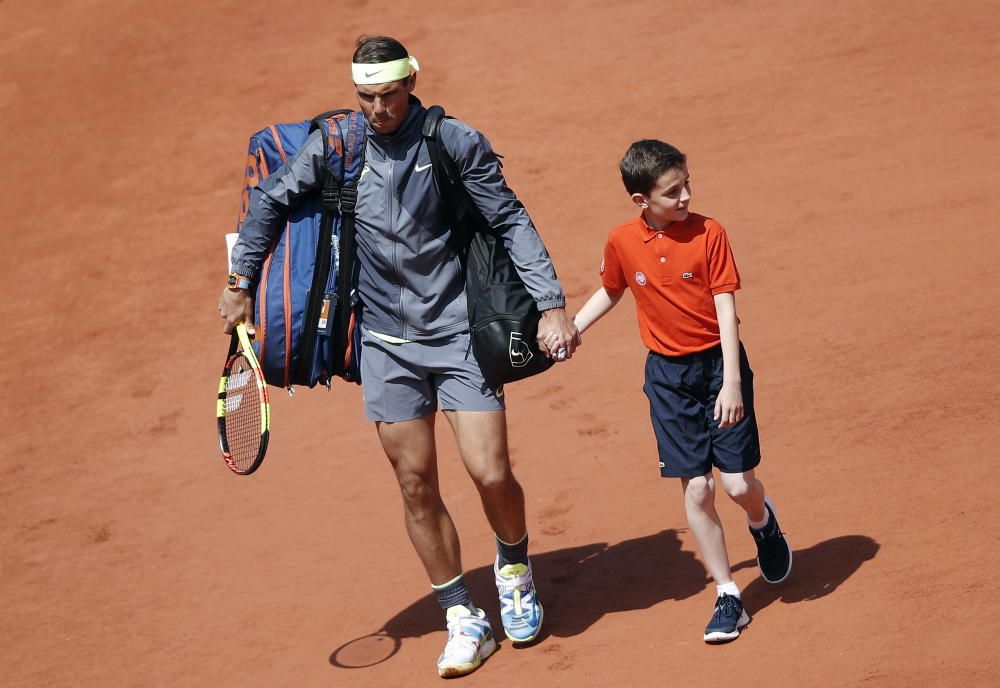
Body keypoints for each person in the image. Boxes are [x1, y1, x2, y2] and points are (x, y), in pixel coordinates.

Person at [218, 36, 580, 677]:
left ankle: (515, 566)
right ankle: (462, 615)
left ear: (412, 81)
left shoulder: (454, 141)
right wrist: (240, 282)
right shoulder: (337, 145)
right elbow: (271, 200)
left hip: (459, 333)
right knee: (415, 484)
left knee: (490, 471)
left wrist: (550, 302)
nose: (377, 108)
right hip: (385, 344)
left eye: (387, 95)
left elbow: (510, 220)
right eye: (366, 96)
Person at [572, 140, 791, 643]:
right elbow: (612, 288)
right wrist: (575, 329)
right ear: (641, 201)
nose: (686, 195)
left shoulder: (710, 233)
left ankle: (762, 521)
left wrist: (732, 382)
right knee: (697, 487)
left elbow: (725, 309)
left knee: (736, 486)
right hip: (668, 379)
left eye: (687, 183)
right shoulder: (622, 240)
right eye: (673, 192)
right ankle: (728, 595)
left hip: (719, 367)